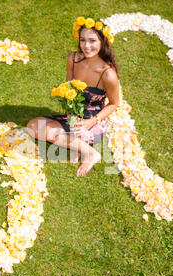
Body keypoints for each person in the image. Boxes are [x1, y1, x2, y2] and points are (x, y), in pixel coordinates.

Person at [27, 17, 120, 177]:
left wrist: (91, 121)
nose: (86, 46)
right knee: (33, 126)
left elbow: (114, 104)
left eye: (92, 41)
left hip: (92, 121)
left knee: (52, 131)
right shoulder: (73, 59)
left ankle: (91, 153)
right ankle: (77, 145)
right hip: (71, 116)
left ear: (102, 42)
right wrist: (70, 111)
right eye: (83, 40)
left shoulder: (107, 74)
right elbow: (68, 87)